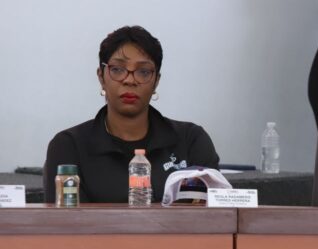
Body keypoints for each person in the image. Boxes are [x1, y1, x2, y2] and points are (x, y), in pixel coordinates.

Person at [44, 26, 219, 204]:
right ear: (101, 77)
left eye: (143, 72)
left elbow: (212, 214)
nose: (130, 80)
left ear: (156, 82)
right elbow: (67, 219)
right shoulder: (68, 146)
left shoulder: (190, 141)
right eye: (117, 69)